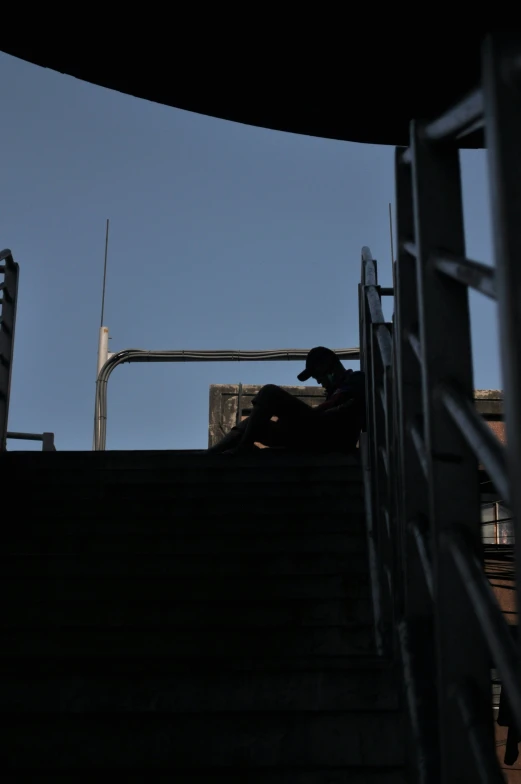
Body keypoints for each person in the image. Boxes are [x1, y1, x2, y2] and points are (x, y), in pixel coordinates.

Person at [207, 346, 365, 456]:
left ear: (329, 367)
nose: (318, 382)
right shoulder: (333, 392)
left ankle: (243, 447)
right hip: (313, 438)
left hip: (330, 438)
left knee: (270, 392)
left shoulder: (355, 379)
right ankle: (212, 453)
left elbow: (335, 407)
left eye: (318, 376)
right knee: (254, 424)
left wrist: (297, 416)